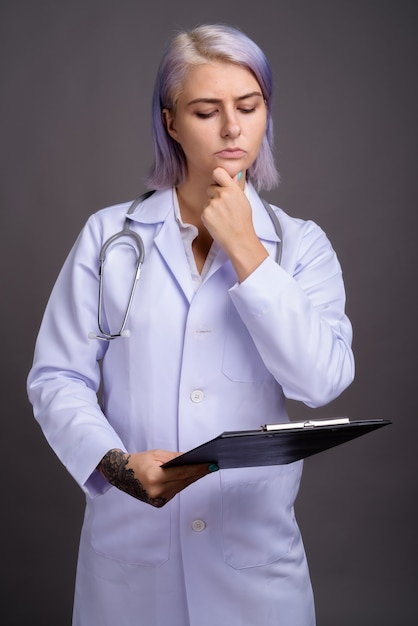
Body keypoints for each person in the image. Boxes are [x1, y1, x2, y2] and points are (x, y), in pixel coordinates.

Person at [27, 24, 354, 626]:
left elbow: (321, 380)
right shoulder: (109, 238)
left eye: (249, 107)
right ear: (171, 121)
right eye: (208, 111)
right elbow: (56, 378)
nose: (233, 128)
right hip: (131, 564)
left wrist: (247, 250)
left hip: (254, 567)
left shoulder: (301, 247)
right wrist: (116, 467)